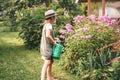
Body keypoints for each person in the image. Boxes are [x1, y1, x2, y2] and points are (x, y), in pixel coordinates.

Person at [40, 10, 57, 80]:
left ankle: (49, 77)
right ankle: (42, 78)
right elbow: (47, 35)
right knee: (47, 62)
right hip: (47, 47)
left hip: (45, 46)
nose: (55, 19)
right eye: (55, 17)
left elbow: (48, 35)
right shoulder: (49, 25)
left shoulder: (46, 25)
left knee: (50, 62)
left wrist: (55, 38)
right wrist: (54, 42)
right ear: (52, 18)